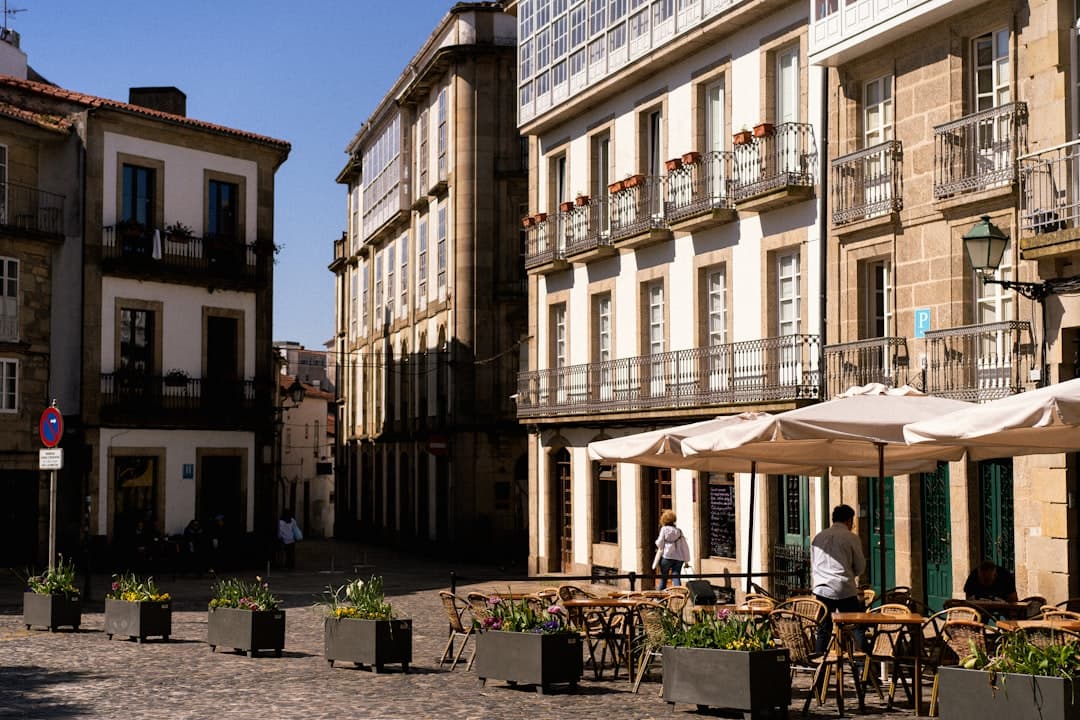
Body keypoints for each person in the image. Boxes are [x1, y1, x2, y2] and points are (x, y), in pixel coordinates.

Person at [811, 504, 867, 654]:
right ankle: (863, 665)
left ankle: (819, 664)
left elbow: (814, 563)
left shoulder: (819, 537)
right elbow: (860, 566)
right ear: (849, 520)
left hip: (822, 588)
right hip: (844, 588)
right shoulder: (851, 538)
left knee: (823, 628)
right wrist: (849, 573)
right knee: (856, 626)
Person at [654, 509, 690, 590]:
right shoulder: (679, 531)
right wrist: (686, 560)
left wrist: (657, 543)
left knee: (664, 577)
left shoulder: (664, 529)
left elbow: (659, 543)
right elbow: (684, 546)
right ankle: (679, 596)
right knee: (676, 576)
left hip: (667, 556)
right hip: (678, 558)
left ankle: (660, 597)